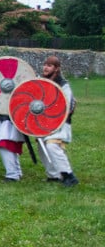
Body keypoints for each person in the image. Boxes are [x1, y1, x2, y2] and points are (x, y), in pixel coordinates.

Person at [37, 56, 78, 187]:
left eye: (50, 65)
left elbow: (69, 105)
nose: (46, 67)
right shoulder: (39, 81)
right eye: (45, 64)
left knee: (52, 146)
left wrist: (55, 116)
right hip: (43, 122)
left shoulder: (63, 84)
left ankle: (68, 175)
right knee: (42, 146)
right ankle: (54, 175)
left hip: (59, 122)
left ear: (56, 68)